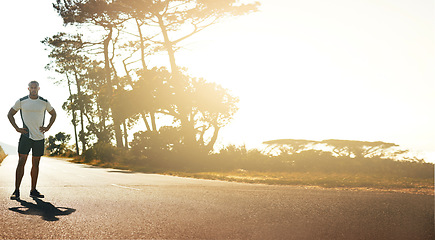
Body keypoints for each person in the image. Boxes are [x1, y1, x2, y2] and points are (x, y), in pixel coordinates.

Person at [7, 81, 56, 199]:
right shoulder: (21, 101)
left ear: (39, 88)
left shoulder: (44, 102)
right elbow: (10, 114)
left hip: (39, 137)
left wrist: (48, 127)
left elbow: (53, 114)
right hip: (26, 136)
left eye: (35, 88)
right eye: (31, 88)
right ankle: (16, 190)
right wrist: (17, 128)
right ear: (28, 88)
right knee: (21, 162)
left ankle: (33, 190)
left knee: (36, 164)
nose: (33, 89)